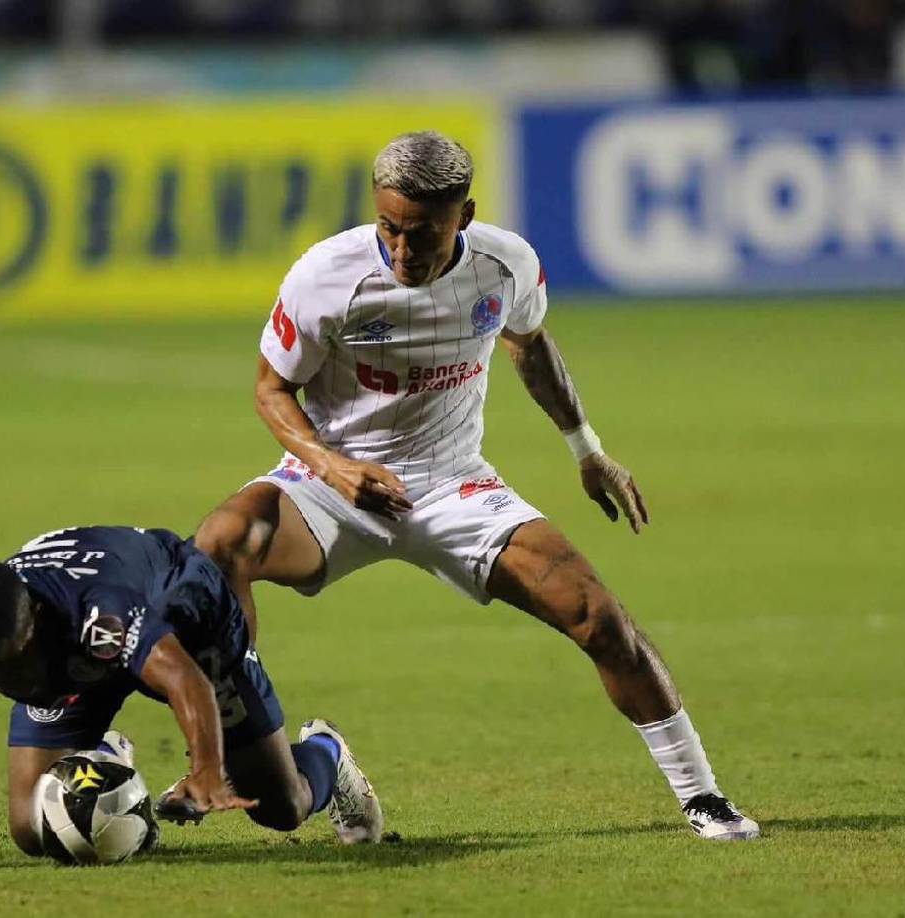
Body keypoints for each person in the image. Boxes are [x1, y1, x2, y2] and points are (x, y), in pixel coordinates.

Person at [194, 131, 758, 841]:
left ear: (463, 215)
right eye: (389, 229)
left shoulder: (506, 264)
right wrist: (334, 467)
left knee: (599, 616)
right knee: (218, 545)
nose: (402, 251)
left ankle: (702, 796)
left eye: (422, 233)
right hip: (332, 485)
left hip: (456, 486)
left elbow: (531, 344)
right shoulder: (324, 276)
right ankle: (245, 746)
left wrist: (587, 449)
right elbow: (272, 392)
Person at [0, 525, 382, 881]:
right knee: (33, 827)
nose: (11, 683)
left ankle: (328, 751)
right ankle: (113, 775)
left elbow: (187, 681)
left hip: (191, 624)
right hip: (80, 662)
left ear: (34, 623)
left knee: (282, 806)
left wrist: (206, 772)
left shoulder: (100, 611)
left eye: (15, 663)